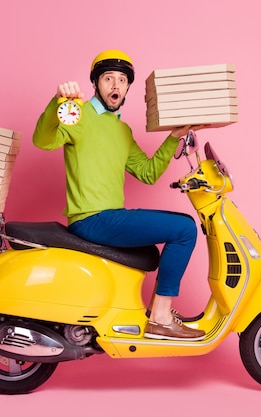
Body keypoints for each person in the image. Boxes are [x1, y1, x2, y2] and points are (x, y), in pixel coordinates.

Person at [32, 49, 205, 341]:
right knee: (185, 228)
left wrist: (174, 137)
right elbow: (42, 140)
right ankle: (161, 317)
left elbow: (148, 173)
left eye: (122, 80)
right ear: (96, 83)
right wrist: (58, 101)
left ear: (127, 88)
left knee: (181, 227)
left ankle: (155, 315)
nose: (115, 85)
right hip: (92, 219)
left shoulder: (122, 131)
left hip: (111, 217)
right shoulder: (79, 114)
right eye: (108, 78)